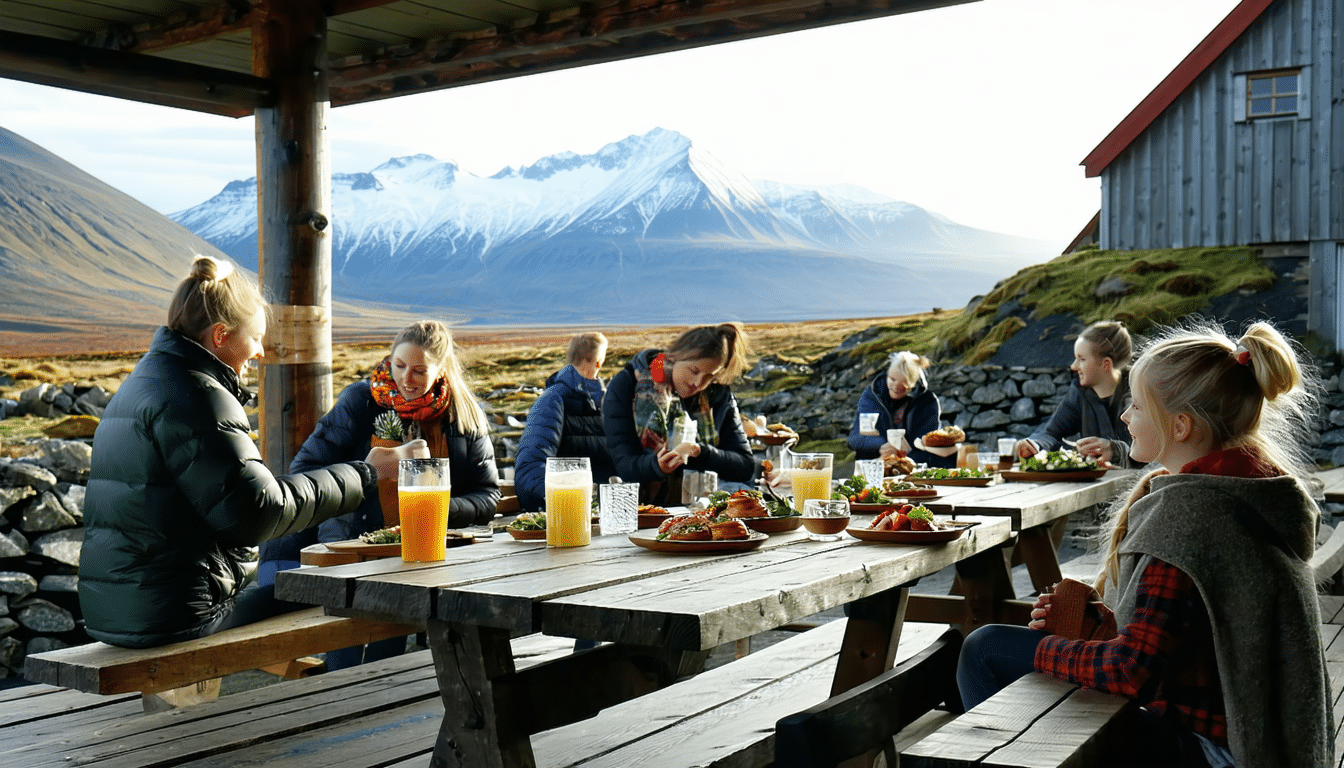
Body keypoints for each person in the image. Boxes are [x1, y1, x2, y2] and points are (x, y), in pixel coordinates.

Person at [957, 321, 1331, 768]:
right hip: (1261, 741)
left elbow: (1132, 670)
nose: (1124, 417)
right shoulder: (1248, 492)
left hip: (1215, 754)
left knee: (986, 649)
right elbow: (1194, 641)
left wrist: (1050, 650)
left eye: (1136, 406)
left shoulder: (1192, 512)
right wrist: (1103, 622)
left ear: (1180, 426)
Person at [78, 256, 417, 649]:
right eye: (254, 337)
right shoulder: (199, 396)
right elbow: (258, 513)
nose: (259, 352)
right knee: (352, 591)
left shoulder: (144, 381)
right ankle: (361, 700)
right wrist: (365, 473)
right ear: (220, 335)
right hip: (179, 615)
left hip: (122, 612)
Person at [258, 319, 500, 669]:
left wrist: (436, 510)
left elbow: (487, 495)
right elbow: (304, 470)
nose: (406, 379)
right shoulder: (361, 401)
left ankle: (377, 707)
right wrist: (366, 473)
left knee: (387, 656)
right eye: (399, 366)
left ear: (441, 369)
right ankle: (341, 702)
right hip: (348, 547)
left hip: (419, 558)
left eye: (419, 371)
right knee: (344, 651)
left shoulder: (462, 416)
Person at [603, 323, 757, 505]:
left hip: (704, 510)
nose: (698, 382)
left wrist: (700, 452)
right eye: (694, 370)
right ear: (673, 357)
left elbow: (745, 466)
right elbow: (623, 465)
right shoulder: (626, 385)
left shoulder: (718, 393)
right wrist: (656, 465)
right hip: (641, 510)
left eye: (710, 376)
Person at [515, 332, 616, 510]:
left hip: (610, 516)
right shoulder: (553, 400)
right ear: (599, 362)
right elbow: (530, 471)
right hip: (570, 519)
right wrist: (571, 505)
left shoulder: (605, 403)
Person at [1016, 320, 1136, 467]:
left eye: (1082, 359)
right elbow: (1052, 432)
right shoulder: (1080, 393)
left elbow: (1152, 453)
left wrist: (1115, 451)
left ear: (1106, 364)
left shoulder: (1139, 392)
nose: (1073, 366)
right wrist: (1034, 444)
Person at [846, 350, 950, 467]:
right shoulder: (872, 396)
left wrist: (907, 453)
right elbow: (855, 439)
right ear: (887, 374)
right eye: (892, 379)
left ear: (913, 384)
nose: (895, 387)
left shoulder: (928, 402)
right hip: (874, 469)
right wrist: (883, 446)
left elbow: (930, 448)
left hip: (915, 471)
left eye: (903, 385)